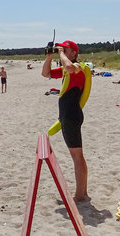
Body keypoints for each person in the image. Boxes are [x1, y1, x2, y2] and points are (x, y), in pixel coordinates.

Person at [42, 40, 89, 202]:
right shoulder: (65, 70)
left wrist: (60, 53)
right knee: (76, 156)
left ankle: (81, 194)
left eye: (65, 49)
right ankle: (82, 192)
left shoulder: (79, 67)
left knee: (77, 156)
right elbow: (46, 74)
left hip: (71, 116)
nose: (61, 50)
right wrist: (49, 56)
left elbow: (70, 67)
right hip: (67, 116)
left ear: (74, 53)